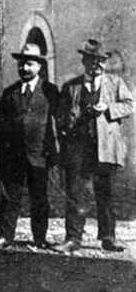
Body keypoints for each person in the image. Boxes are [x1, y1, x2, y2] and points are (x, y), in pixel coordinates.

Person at [54, 39, 134, 253]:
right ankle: (73, 238)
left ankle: (108, 237)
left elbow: (129, 105)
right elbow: (60, 115)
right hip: (79, 149)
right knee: (75, 193)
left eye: (101, 61)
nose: (97, 65)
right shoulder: (71, 87)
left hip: (105, 147)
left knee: (106, 193)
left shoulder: (115, 83)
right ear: (84, 61)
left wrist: (108, 108)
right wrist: (70, 120)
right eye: (92, 60)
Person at [0, 43, 59, 249]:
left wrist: (55, 151)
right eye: (21, 64)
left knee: (39, 198)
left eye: (29, 64)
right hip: (12, 156)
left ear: (38, 66)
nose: (24, 68)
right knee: (10, 196)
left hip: (39, 155)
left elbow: (61, 120)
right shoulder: (9, 93)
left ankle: (39, 237)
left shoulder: (50, 91)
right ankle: (5, 236)